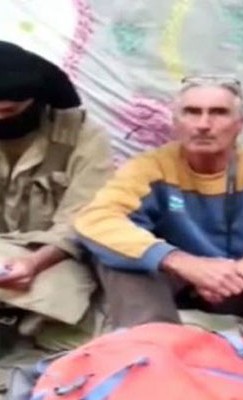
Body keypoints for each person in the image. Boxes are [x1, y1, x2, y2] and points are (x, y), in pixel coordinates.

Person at [75, 75, 243, 346]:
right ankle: (152, 344)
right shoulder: (150, 168)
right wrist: (183, 263)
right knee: (119, 244)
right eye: (192, 112)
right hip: (173, 290)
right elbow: (96, 220)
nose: (203, 124)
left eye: (218, 113)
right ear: (175, 122)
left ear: (240, 124)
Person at [0, 42, 112, 352]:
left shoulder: (84, 136)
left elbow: (83, 218)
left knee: (66, 307)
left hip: (51, 259)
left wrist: (34, 263)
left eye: (9, 111)